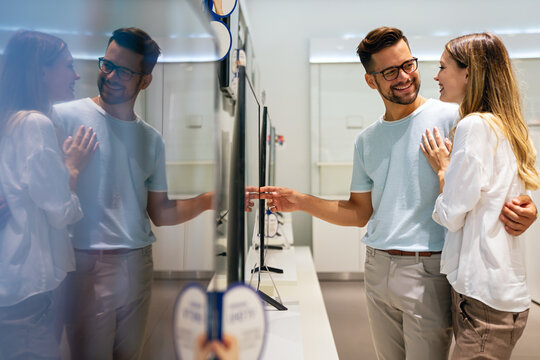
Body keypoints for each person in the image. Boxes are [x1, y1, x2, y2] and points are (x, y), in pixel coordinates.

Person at [260, 27, 538, 359]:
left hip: (431, 270)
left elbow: (508, 174)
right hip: (377, 267)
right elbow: (359, 213)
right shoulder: (367, 140)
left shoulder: (457, 115)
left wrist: (528, 208)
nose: (404, 76)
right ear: (371, 80)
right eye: (391, 71)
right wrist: (302, 202)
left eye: (409, 65)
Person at [52, 27, 213, 359]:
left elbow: (161, 213)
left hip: (138, 262)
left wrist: (212, 199)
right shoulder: (64, 118)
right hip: (86, 262)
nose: (110, 76)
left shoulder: (151, 139)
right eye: (107, 64)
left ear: (145, 80)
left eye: (124, 71)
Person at [420, 32, 538, 359]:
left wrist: (444, 170)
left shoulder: (474, 127)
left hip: (483, 300)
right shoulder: (503, 126)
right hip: (503, 296)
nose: (437, 76)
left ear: (468, 73)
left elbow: (451, 214)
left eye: (443, 67)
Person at [0, 30, 96, 360]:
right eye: (68, 66)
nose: (77, 74)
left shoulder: (13, 120)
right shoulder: (35, 125)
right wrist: (72, 168)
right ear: (41, 72)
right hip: (31, 287)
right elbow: (62, 212)